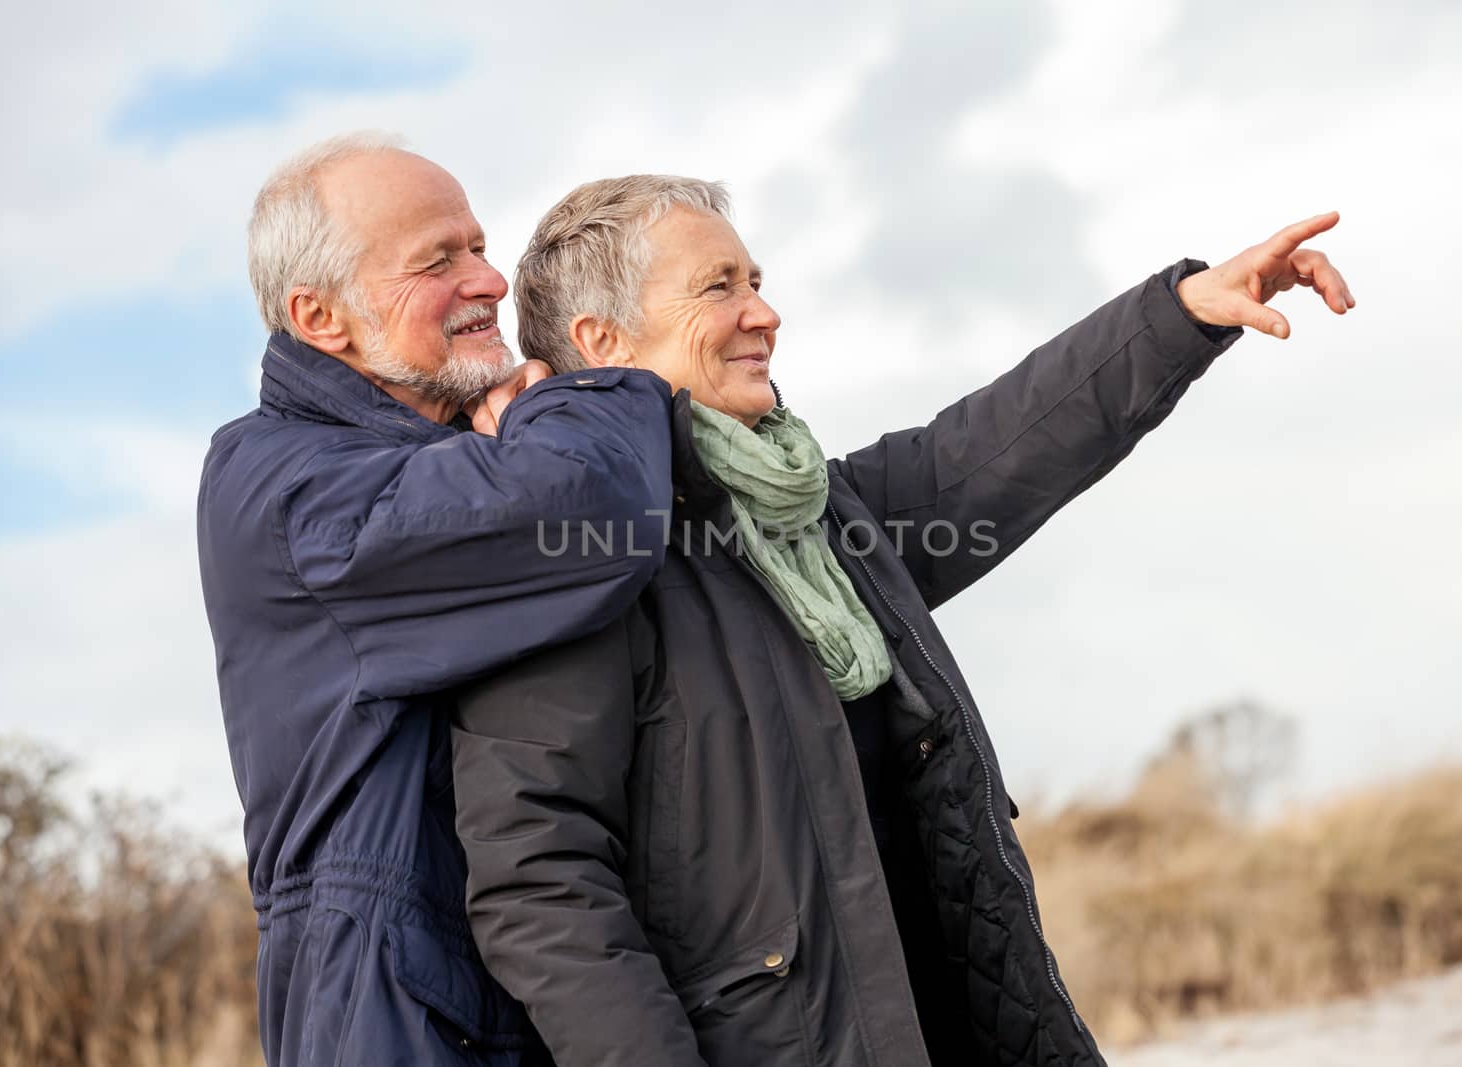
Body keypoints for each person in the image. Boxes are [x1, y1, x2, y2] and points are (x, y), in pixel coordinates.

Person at [451, 176, 1354, 1066]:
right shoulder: (573, 557)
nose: (764, 313)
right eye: (719, 287)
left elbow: (993, 448)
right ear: (603, 340)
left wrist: (1183, 313)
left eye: (756, 281)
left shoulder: (822, 515)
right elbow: (541, 884)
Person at [196, 135, 675, 1066]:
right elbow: (598, 509)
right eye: (438, 259)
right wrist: (577, 398)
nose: (491, 280)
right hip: (396, 1011)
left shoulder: (453, 451)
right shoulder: (292, 489)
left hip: (509, 988)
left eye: (480, 245)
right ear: (321, 316)